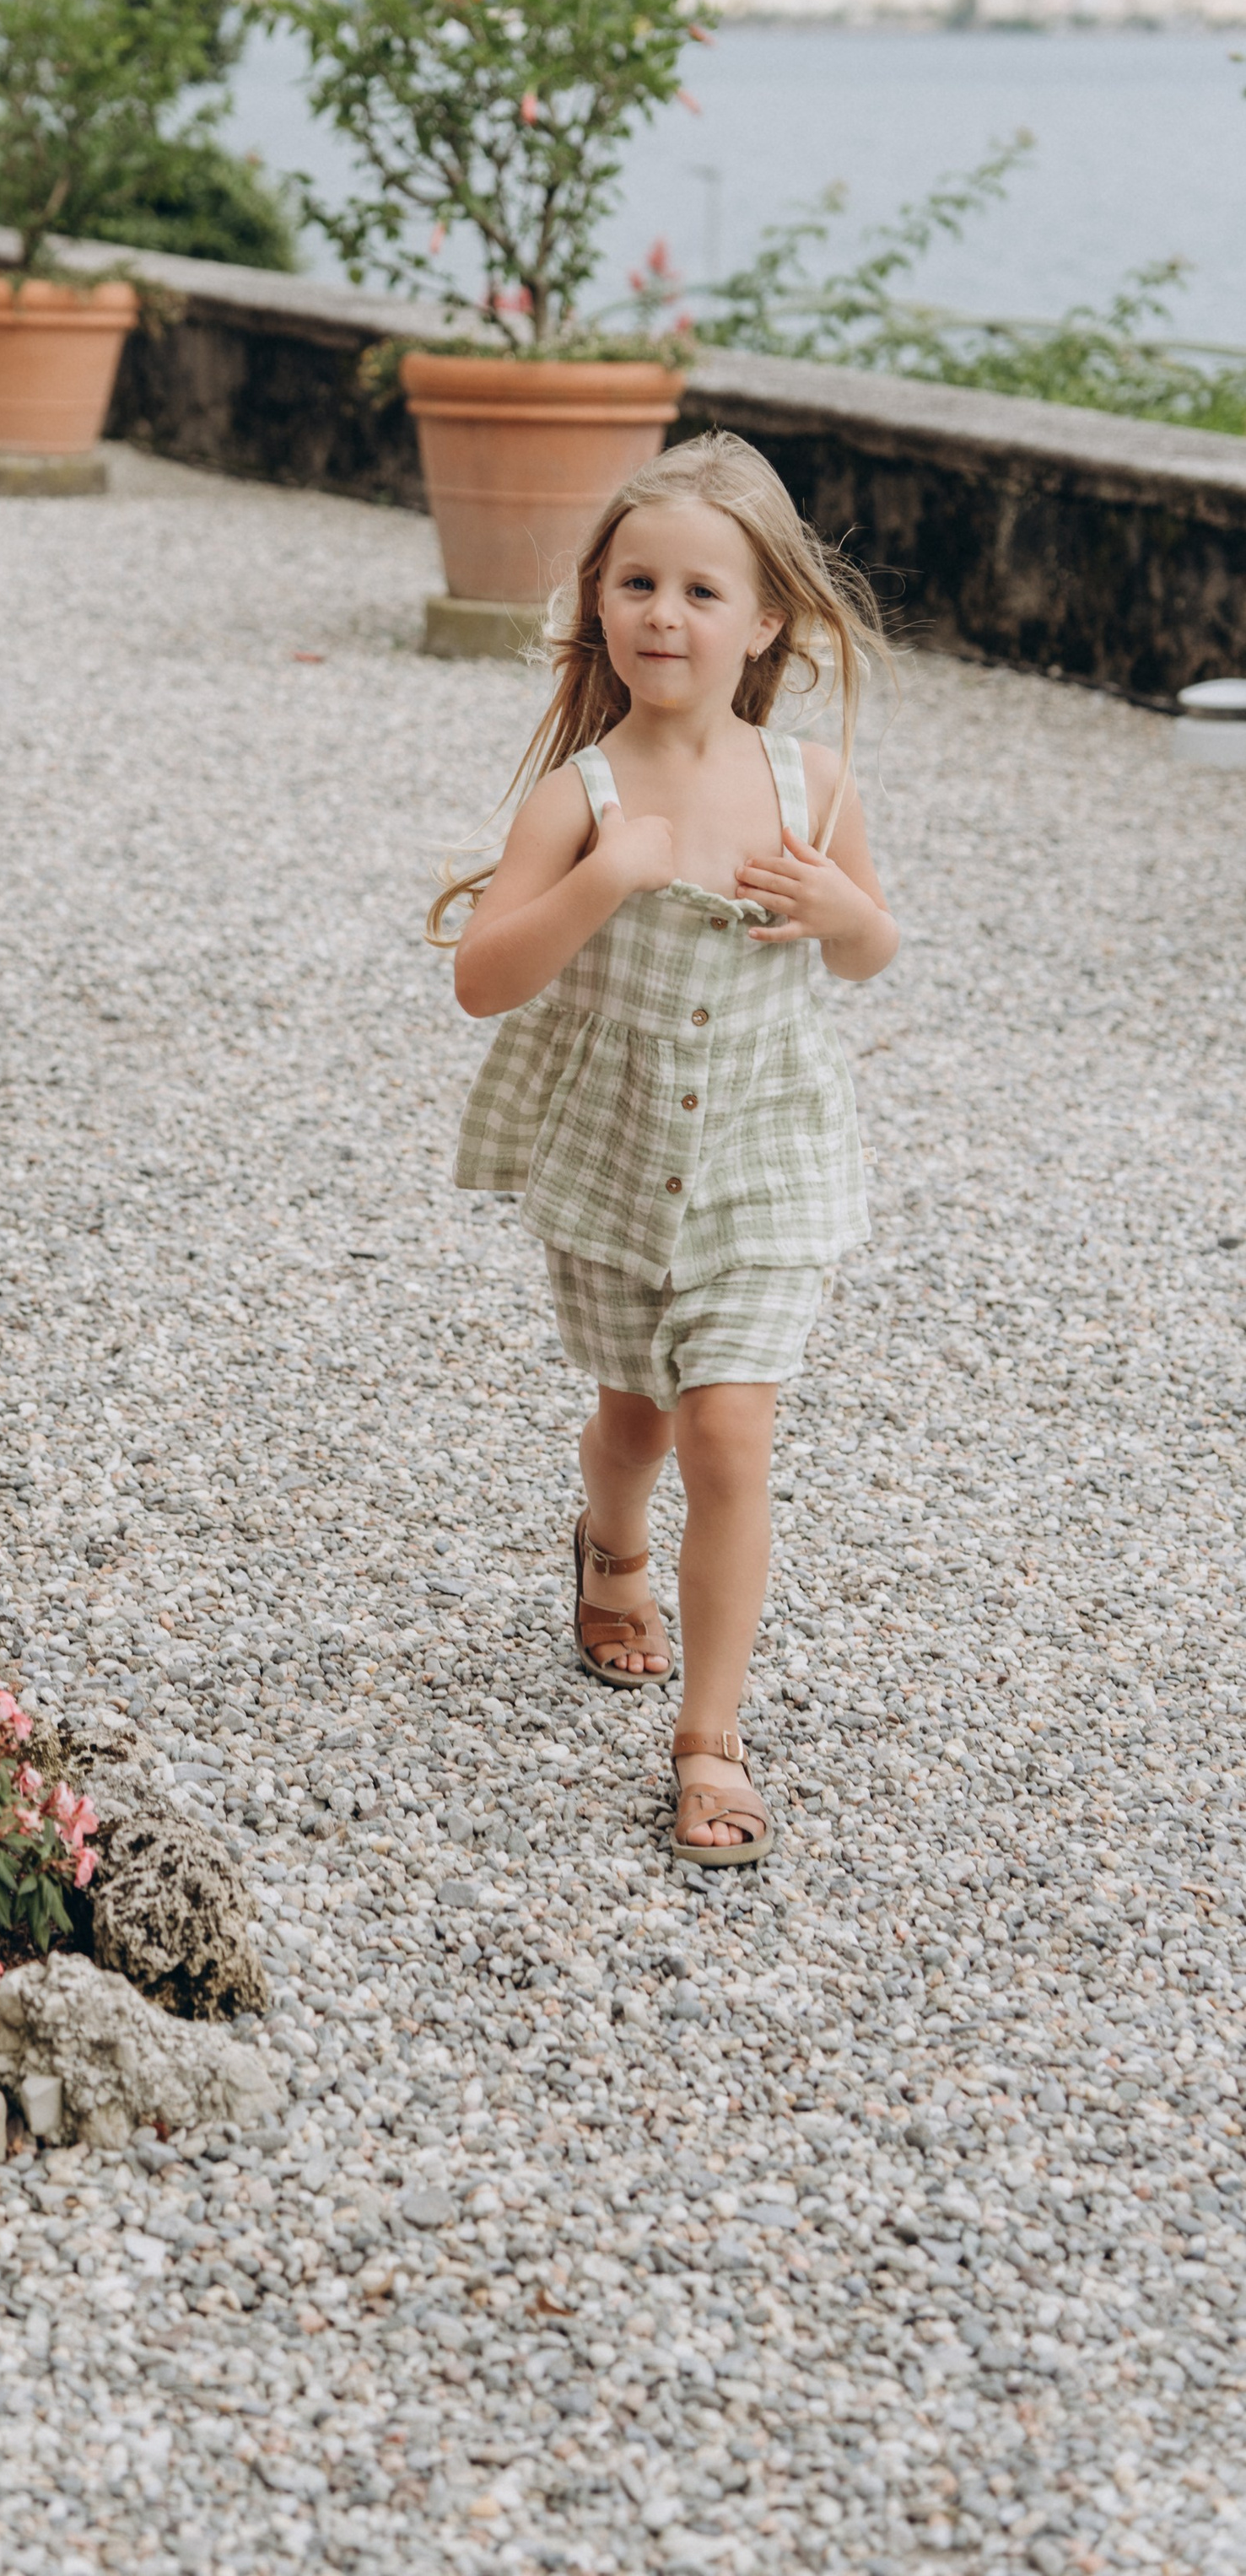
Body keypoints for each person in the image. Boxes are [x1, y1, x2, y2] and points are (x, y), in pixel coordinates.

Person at [432, 434, 898, 1864]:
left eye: (703, 591)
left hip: (765, 1164)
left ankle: (709, 1738)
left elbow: (873, 951)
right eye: (638, 583)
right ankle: (611, 1546)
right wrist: (604, 883)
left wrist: (839, 912)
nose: (664, 615)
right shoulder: (584, 799)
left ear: (767, 622)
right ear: (599, 604)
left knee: (730, 1429)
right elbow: (485, 977)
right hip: (621, 1167)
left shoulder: (808, 786)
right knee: (635, 1418)